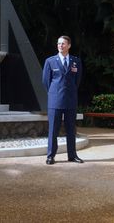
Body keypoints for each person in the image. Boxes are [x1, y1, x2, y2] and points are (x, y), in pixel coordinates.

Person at [42, 35, 84, 165]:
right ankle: (50, 156)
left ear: (69, 45)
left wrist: (69, 91)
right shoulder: (50, 61)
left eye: (63, 44)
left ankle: (72, 155)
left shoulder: (76, 61)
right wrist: (55, 93)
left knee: (71, 129)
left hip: (70, 100)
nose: (60, 45)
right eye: (59, 43)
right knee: (53, 130)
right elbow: (45, 81)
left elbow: (77, 80)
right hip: (55, 101)